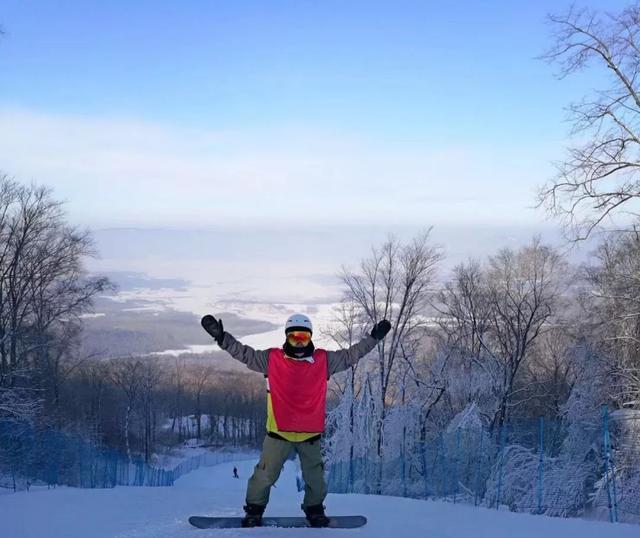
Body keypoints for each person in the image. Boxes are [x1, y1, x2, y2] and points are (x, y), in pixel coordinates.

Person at [201, 313, 391, 527]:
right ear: (286, 337)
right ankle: (254, 510)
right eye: (294, 337)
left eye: (303, 337)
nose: (299, 343)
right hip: (278, 433)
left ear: (310, 337)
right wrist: (223, 338)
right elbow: (245, 354)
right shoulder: (272, 359)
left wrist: (373, 338)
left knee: (316, 480)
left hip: (310, 434)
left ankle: (314, 510)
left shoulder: (323, 361)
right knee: (263, 476)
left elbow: (351, 355)